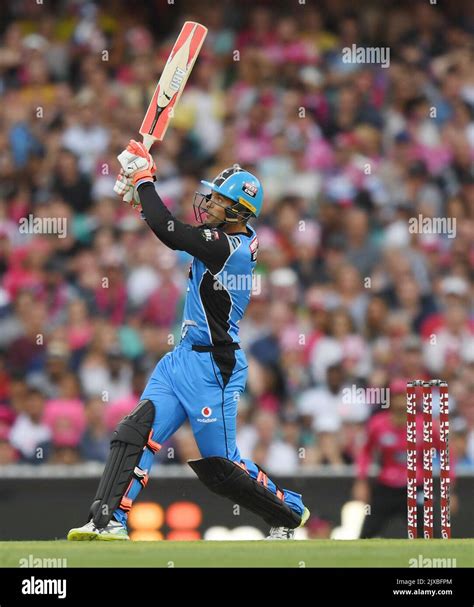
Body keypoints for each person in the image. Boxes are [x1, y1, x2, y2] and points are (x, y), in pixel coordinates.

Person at [68, 140, 309, 541]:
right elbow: (168, 226)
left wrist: (144, 181)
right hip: (182, 358)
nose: (208, 204)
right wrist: (140, 194)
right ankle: (106, 519)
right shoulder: (220, 237)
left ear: (238, 211)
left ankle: (288, 512)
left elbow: (171, 232)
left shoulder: (229, 248)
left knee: (221, 466)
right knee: (135, 431)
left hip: (214, 367)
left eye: (217, 201)